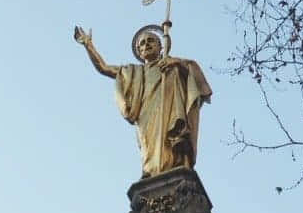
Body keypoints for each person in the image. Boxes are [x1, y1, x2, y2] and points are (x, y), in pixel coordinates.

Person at [74, 21, 213, 177]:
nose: (146, 45)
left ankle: (176, 165)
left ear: (160, 47)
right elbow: (104, 68)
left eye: (151, 41)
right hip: (146, 117)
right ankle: (151, 172)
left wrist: (177, 63)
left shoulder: (172, 66)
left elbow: (195, 79)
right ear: (139, 52)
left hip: (169, 112)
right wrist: (88, 45)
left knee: (172, 144)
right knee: (149, 150)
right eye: (142, 43)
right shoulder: (133, 72)